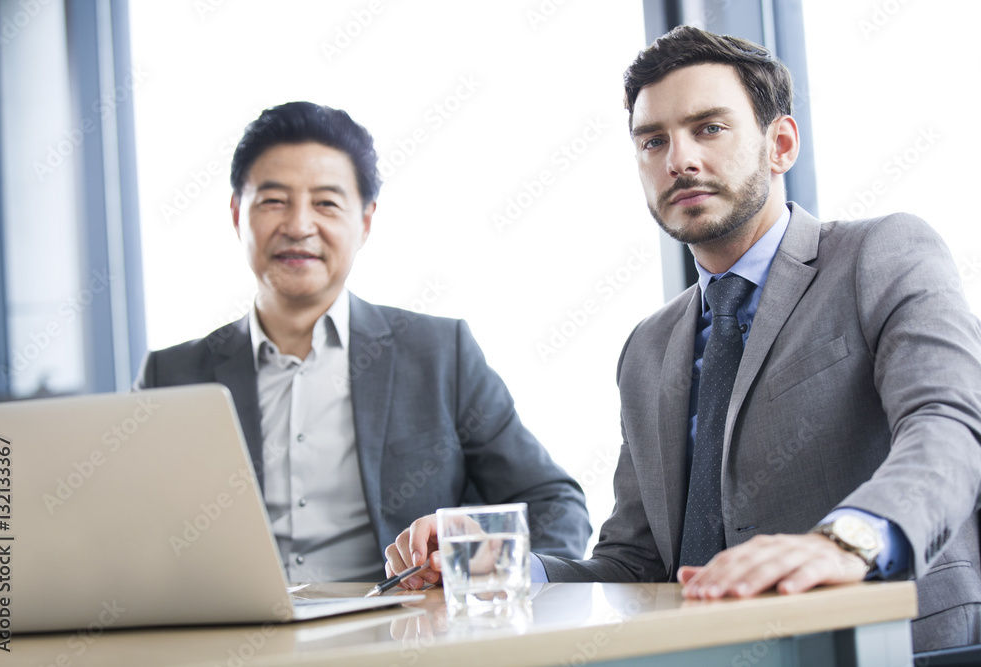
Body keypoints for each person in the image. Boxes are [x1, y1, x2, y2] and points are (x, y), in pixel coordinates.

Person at [385, 26, 981, 652]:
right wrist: (488, 571)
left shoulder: (880, 254)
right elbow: (633, 564)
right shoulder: (648, 348)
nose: (679, 160)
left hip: (890, 646)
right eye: (653, 141)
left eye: (709, 128)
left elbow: (951, 424)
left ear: (779, 144)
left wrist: (846, 541)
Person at [134, 101, 591, 583]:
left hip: (399, 641)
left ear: (366, 221)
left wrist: (478, 572)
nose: (298, 225)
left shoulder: (439, 353)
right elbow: (121, 531)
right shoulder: (171, 377)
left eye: (326, 203)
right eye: (273, 200)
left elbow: (555, 505)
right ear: (236, 213)